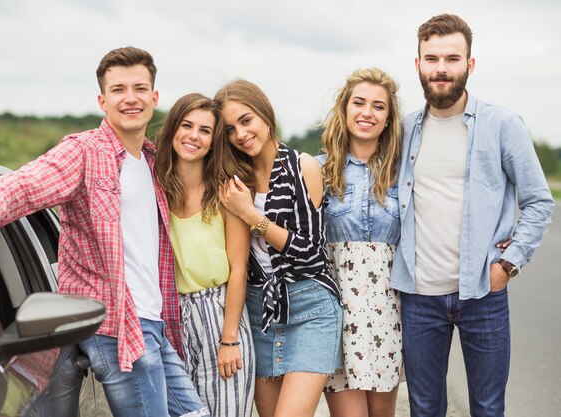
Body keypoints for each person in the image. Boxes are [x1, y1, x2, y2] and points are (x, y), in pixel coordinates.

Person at [0, 46, 209, 417]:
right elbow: (30, 181)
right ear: (102, 100)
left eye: (139, 88)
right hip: (116, 326)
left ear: (154, 97)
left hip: (153, 323)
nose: (130, 98)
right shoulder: (84, 151)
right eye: (118, 90)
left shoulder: (151, 160)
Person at [391, 14, 555, 417]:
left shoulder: (502, 125)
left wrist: (508, 262)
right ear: (418, 65)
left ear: (470, 64)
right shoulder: (403, 129)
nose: (441, 68)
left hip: (483, 293)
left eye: (452, 58)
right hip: (418, 296)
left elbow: (539, 201)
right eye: (432, 59)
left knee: (487, 407)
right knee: (425, 408)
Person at [214, 80, 343, 417]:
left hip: (310, 305)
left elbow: (309, 252)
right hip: (260, 312)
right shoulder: (234, 180)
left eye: (246, 120)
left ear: (265, 115)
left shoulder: (303, 168)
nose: (240, 134)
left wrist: (250, 214)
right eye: (230, 129)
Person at [154, 93, 255, 417]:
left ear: (213, 142)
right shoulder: (157, 191)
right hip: (170, 320)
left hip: (219, 314)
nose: (193, 136)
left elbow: (239, 270)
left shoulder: (227, 194)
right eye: (186, 126)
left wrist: (229, 340)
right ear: (172, 131)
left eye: (204, 130)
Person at [317, 68, 404, 417]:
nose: (367, 112)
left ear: (389, 118)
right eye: (359, 102)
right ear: (344, 109)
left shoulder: (402, 173)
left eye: (378, 106)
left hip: (389, 312)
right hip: (337, 313)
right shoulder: (318, 170)